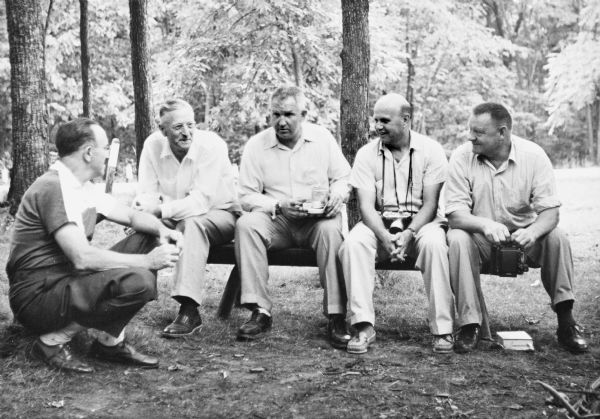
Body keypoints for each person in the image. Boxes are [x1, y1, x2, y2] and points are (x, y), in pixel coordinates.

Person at [6, 118, 183, 373]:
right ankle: (52, 342)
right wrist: (148, 262)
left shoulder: (81, 186)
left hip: (65, 280)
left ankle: (109, 343)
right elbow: (82, 257)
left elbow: (132, 217)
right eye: (105, 148)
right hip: (37, 296)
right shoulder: (55, 187)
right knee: (139, 281)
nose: (109, 155)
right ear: (89, 152)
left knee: (146, 236)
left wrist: (164, 230)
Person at [445, 102, 589, 354]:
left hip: (525, 238)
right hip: (482, 239)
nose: (471, 137)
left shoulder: (534, 156)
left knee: (557, 236)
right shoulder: (461, 156)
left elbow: (550, 212)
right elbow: (455, 215)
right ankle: (469, 324)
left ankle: (566, 323)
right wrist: (485, 224)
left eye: (478, 132)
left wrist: (532, 232)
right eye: (470, 130)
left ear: (502, 132)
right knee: (457, 237)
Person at [235, 85, 351, 348]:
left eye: (288, 114)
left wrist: (337, 195)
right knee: (246, 225)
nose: (281, 121)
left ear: (304, 114)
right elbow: (245, 195)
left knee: (331, 232)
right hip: (279, 220)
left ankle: (336, 315)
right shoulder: (257, 145)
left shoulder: (322, 139)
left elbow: (343, 178)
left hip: (317, 220)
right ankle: (259, 311)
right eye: (275, 114)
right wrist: (278, 204)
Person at [338, 93, 454, 354]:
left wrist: (410, 233)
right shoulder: (367, 154)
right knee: (354, 244)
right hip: (379, 222)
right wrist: (384, 236)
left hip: (422, 223)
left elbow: (431, 204)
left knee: (436, 245)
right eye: (375, 120)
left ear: (406, 120)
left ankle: (443, 329)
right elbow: (366, 206)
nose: (377, 126)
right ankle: (363, 326)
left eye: (385, 120)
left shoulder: (431, 150)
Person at [135, 99, 239, 338]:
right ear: (163, 130)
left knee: (191, 224)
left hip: (219, 215)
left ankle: (189, 309)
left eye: (191, 125)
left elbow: (201, 202)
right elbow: (146, 192)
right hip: (174, 214)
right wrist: (145, 211)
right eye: (178, 127)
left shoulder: (211, 146)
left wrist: (159, 211)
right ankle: (129, 296)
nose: (187, 132)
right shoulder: (152, 145)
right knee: (141, 226)